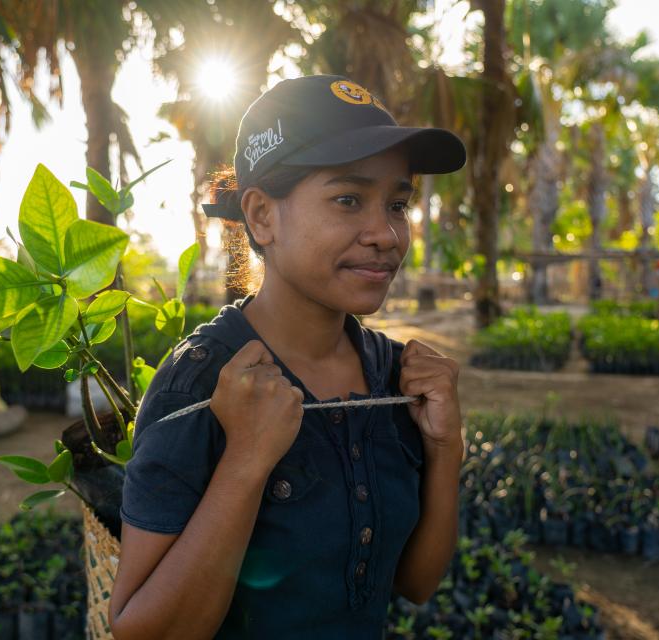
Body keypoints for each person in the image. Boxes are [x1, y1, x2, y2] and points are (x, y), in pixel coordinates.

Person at [109, 74, 467, 639]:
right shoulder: (200, 385)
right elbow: (141, 632)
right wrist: (247, 458)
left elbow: (414, 584)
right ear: (261, 216)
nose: (387, 234)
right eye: (348, 199)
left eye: (397, 203)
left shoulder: (397, 377)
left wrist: (446, 448)